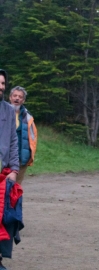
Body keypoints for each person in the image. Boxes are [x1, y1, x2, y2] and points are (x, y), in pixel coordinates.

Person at [0, 69, 24, 270]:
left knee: (4, 218)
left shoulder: (8, 110)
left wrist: (15, 169)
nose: (0, 86)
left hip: (3, 174)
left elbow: (13, 142)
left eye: (2, 83)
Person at [8, 86, 37, 185]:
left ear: (23, 100)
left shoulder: (28, 117)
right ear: (10, 97)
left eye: (20, 97)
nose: (17, 98)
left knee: (16, 186)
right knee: (3, 186)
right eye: (15, 95)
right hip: (4, 157)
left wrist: (30, 155)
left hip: (21, 157)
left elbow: (32, 138)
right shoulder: (2, 113)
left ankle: (14, 201)